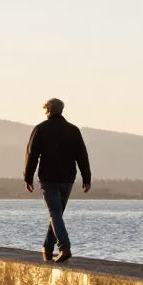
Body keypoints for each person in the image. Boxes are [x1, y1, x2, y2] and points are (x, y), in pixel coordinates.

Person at [24, 98, 91, 263]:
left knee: (55, 213)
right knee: (57, 214)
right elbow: (82, 155)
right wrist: (86, 178)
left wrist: (28, 177)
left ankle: (64, 247)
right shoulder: (73, 130)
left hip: (48, 178)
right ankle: (47, 249)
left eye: (45, 110)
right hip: (68, 178)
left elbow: (32, 155)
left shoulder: (41, 129)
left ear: (48, 111)